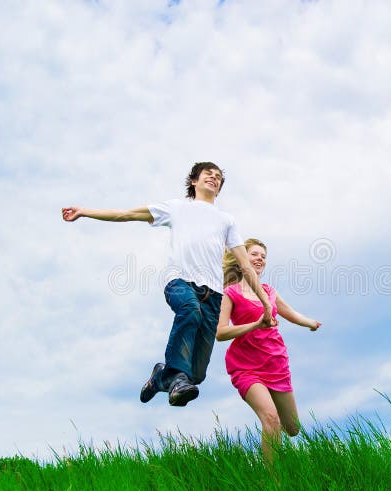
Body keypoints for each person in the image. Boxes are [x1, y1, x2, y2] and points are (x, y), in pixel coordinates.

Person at [61, 162, 275, 407]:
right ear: (194, 181)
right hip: (179, 281)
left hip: (213, 294)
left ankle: (161, 377)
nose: (214, 179)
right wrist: (85, 211)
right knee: (190, 311)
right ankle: (173, 377)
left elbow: (245, 266)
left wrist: (266, 303)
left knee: (196, 375)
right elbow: (126, 214)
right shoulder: (176, 208)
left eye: (218, 178)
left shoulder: (226, 220)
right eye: (209, 174)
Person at [216, 238, 321, 460]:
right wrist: (256, 324)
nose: (260, 259)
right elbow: (220, 332)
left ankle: (274, 442)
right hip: (246, 367)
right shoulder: (231, 293)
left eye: (263, 256)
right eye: (254, 254)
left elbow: (289, 312)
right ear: (242, 258)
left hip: (275, 363)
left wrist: (310, 323)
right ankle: (274, 483)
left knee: (293, 428)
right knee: (271, 418)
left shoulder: (269, 291)